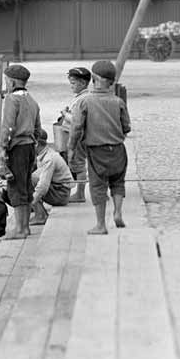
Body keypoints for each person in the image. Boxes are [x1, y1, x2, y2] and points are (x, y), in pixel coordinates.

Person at [67, 60, 131, 235]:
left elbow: (76, 128)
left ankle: (101, 225)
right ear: (111, 81)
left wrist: (71, 148)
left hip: (96, 150)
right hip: (118, 149)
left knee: (98, 186)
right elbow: (126, 127)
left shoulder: (85, 102)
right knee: (118, 182)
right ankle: (118, 212)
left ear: (94, 78)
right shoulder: (118, 101)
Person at [0, 63, 41, 239]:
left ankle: (20, 229)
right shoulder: (31, 99)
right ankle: (25, 228)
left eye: (7, 81)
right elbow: (38, 128)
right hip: (30, 146)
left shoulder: (11, 99)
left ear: (13, 81)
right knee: (26, 187)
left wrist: (2, 147)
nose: (6, 84)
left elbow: (8, 126)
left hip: (17, 148)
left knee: (15, 188)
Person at [57, 66, 91, 202]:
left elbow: (78, 121)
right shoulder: (80, 97)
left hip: (76, 137)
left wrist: (65, 115)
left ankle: (80, 194)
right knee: (77, 164)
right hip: (75, 135)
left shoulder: (82, 99)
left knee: (78, 165)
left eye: (73, 83)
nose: (71, 86)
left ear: (83, 83)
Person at [30, 128, 74, 225]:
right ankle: (38, 212)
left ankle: (40, 215)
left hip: (61, 194)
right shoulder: (45, 154)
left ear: (36, 143)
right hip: (59, 190)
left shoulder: (49, 158)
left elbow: (43, 186)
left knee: (29, 180)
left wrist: (31, 202)